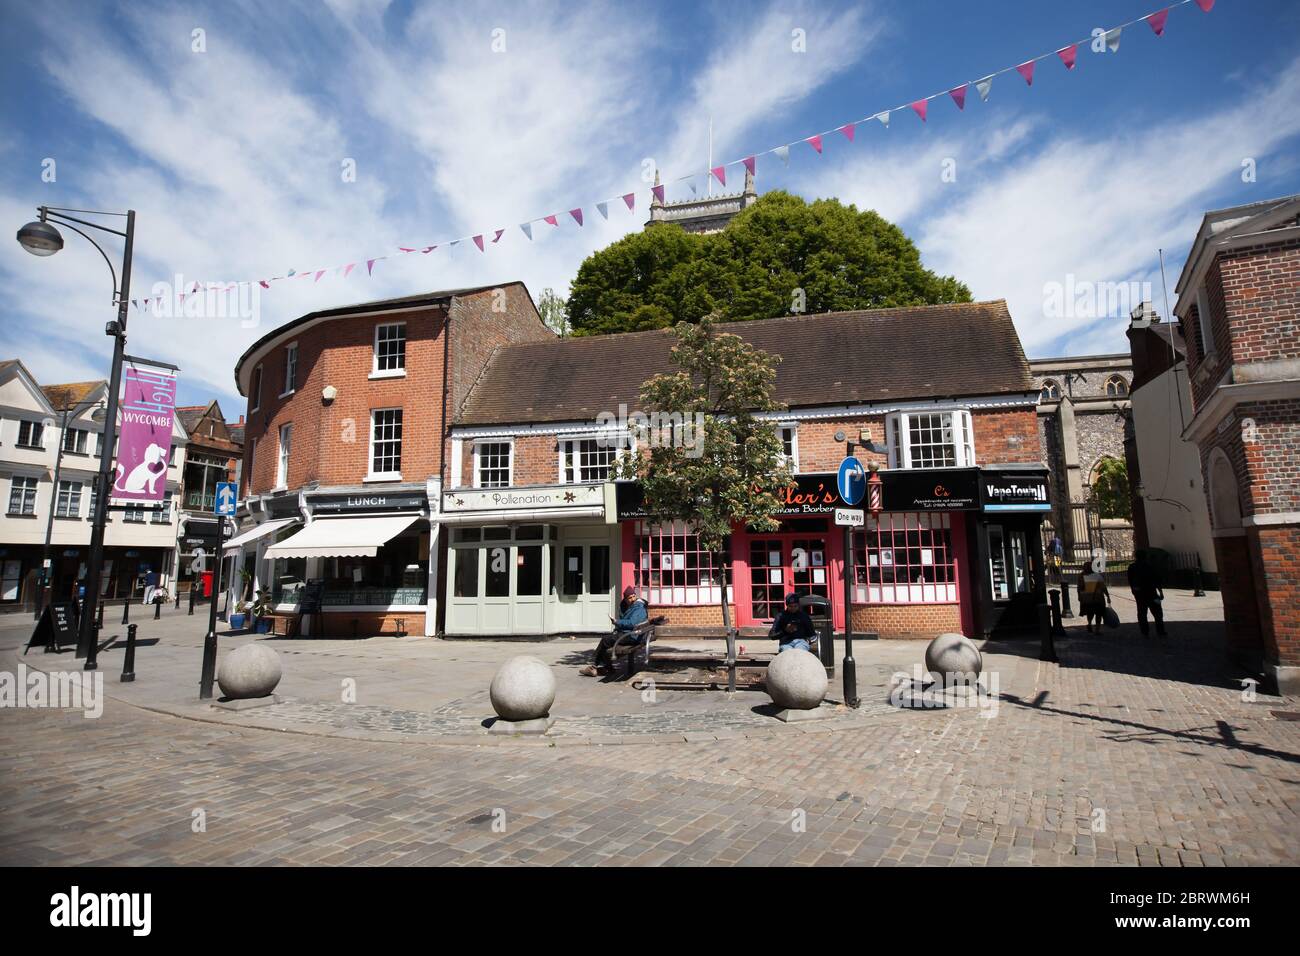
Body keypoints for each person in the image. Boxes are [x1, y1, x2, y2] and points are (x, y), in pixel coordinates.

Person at [580, 587, 648, 677]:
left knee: (605, 640)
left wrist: (617, 622)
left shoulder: (639, 608)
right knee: (607, 642)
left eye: (633, 596)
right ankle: (606, 667)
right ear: (625, 599)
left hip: (633, 636)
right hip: (633, 634)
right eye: (630, 597)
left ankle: (595, 666)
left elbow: (631, 623)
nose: (632, 599)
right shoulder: (630, 606)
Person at [1127, 549, 1167, 638]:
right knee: (1158, 613)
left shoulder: (1132, 567)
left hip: (1140, 593)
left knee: (1142, 613)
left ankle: (1144, 632)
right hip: (1151, 592)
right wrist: (1160, 591)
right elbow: (1157, 579)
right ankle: (1160, 631)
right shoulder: (1150, 566)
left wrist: (1134, 591)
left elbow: (1130, 581)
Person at [1078, 558, 1111, 633]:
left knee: (1090, 612)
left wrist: (1079, 596)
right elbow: (1103, 587)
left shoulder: (1081, 576)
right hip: (1097, 598)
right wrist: (1108, 596)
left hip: (1086, 598)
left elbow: (1079, 587)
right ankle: (1097, 630)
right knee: (1098, 614)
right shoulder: (1097, 576)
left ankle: (1089, 623)